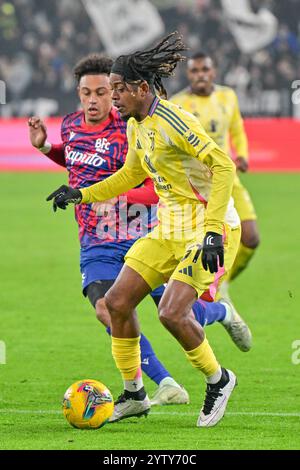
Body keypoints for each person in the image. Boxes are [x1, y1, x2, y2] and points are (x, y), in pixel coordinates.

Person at [46, 33, 247, 428]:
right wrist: (81, 193)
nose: (114, 97)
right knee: (118, 303)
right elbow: (131, 174)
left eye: (119, 90)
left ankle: (218, 379)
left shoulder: (175, 120)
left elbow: (223, 166)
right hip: (168, 229)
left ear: (141, 88)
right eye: (112, 90)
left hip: (209, 228)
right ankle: (135, 393)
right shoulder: (137, 125)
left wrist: (211, 233)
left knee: (172, 312)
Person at [171, 52, 260, 301]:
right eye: (195, 71)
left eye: (204, 69)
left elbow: (237, 129)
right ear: (188, 74)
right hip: (197, 184)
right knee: (200, 243)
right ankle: (203, 292)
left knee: (251, 238)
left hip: (227, 176)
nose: (200, 75)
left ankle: (224, 284)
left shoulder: (227, 96)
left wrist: (241, 154)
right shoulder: (178, 103)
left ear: (213, 71)